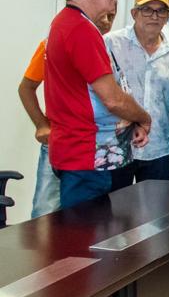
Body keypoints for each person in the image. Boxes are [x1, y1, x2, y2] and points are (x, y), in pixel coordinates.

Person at [45, 0, 151, 208]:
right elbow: (112, 99)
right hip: (87, 159)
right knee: (87, 242)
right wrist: (143, 117)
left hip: (89, 156)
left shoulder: (72, 24)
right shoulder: (79, 30)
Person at [18, 12, 116, 219]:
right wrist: (41, 125)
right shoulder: (53, 44)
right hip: (60, 139)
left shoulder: (111, 51)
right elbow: (26, 87)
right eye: (103, 15)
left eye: (112, 16)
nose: (106, 21)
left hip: (95, 143)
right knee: (45, 211)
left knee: (88, 218)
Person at [104, 0, 169, 182]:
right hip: (116, 146)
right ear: (134, 13)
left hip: (160, 148)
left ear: (168, 16)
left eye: (161, 11)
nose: (154, 16)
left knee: (157, 209)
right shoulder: (111, 43)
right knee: (113, 209)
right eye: (147, 10)